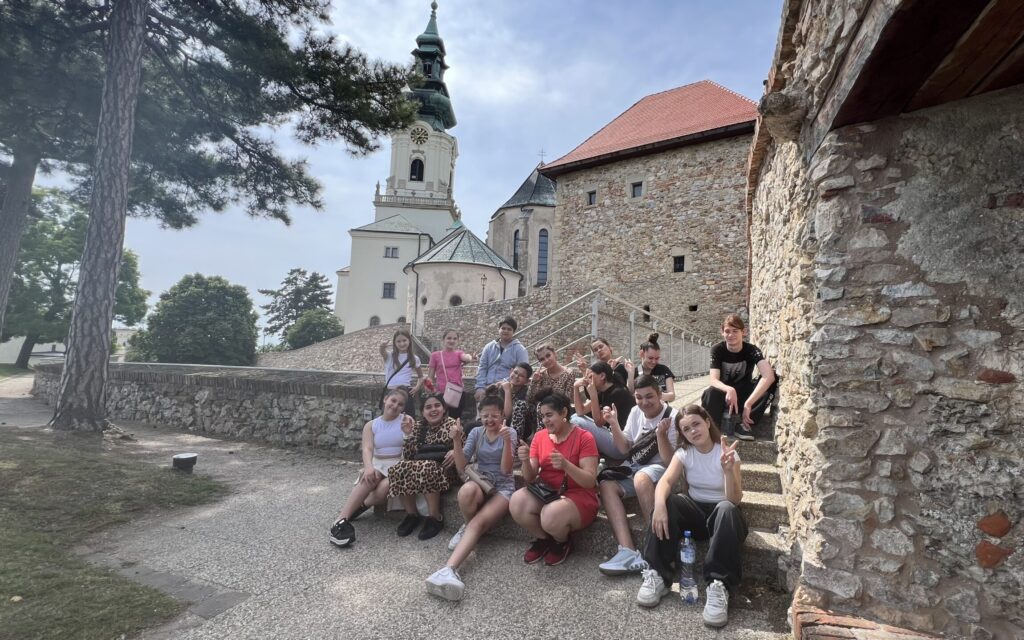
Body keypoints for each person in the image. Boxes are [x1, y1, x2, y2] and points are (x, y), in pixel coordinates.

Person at [636, 404, 746, 629]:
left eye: (696, 424)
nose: (693, 431)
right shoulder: (684, 453)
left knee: (726, 508)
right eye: (686, 429)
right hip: (696, 513)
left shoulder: (728, 453)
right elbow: (666, 481)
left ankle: (719, 585)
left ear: (707, 422)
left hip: (724, 518)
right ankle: (658, 574)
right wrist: (659, 506)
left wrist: (727, 471)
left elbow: (734, 499)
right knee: (667, 500)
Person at [424, 395, 518, 601]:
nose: (489, 420)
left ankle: (450, 568)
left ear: (502, 415)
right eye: (485, 416)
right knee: (465, 491)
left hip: (503, 488)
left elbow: (506, 470)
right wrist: (456, 440)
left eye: (494, 415)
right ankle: (467, 530)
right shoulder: (476, 432)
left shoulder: (509, 432)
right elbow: (461, 466)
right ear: (480, 416)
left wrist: (506, 442)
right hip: (482, 482)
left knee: (477, 523)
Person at [596, 375, 679, 576]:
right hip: (636, 465)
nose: (644, 402)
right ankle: (628, 551)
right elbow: (625, 448)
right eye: (639, 397)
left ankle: (658, 548)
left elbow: (671, 461)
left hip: (662, 468)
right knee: (606, 484)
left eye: (649, 396)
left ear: (660, 395)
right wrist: (613, 424)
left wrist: (661, 435)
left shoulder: (674, 416)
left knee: (642, 478)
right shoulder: (635, 412)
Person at [509, 392, 599, 566]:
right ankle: (543, 539)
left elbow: (589, 480)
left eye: (549, 415)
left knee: (550, 515)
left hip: (578, 495)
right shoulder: (540, 436)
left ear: (564, 412)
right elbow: (530, 476)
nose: (545, 420)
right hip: (547, 492)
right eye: (543, 416)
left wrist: (566, 465)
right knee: (517, 502)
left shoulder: (584, 437)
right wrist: (525, 460)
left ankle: (561, 542)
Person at [329, 388, 413, 547]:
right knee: (370, 476)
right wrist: (368, 467)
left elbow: (411, 446)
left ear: (403, 407)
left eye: (400, 404)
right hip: (378, 462)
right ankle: (340, 521)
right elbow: (367, 448)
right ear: (385, 399)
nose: (395, 406)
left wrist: (408, 434)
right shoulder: (371, 425)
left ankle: (362, 505)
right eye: (393, 401)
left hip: (399, 464)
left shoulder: (406, 420)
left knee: (383, 489)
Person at [387, 393, 457, 540]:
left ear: (444, 408)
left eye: (437, 405)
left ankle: (435, 517)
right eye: (428, 407)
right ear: (423, 412)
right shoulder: (419, 427)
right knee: (399, 467)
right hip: (421, 469)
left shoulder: (452, 424)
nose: (433, 409)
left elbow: (465, 449)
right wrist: (408, 435)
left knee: (428, 467)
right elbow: (409, 456)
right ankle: (412, 515)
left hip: (445, 471)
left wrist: (455, 450)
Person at [701, 314, 777, 441]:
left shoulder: (752, 350)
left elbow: (768, 376)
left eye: (735, 331)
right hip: (723, 394)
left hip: (743, 394)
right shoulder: (717, 349)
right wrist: (729, 389)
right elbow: (713, 380)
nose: (731, 335)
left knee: (772, 382)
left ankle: (745, 425)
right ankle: (712, 429)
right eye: (727, 331)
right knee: (710, 392)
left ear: (744, 332)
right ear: (722, 332)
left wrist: (749, 403)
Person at [570, 362, 635, 459]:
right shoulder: (604, 391)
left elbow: (599, 421)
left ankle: (577, 456)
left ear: (602, 376)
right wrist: (576, 387)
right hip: (614, 440)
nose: (587, 380)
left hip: (622, 447)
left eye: (590, 376)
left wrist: (593, 395)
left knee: (576, 421)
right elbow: (580, 411)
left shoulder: (617, 392)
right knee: (575, 417)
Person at [474, 317, 528, 402]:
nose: (505, 331)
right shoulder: (489, 347)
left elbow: (522, 373)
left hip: (507, 389)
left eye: (509, 329)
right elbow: (482, 368)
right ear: (499, 329)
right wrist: (480, 387)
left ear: (513, 332)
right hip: (486, 388)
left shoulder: (520, 350)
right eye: (503, 328)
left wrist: (502, 384)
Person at [428, 329, 475, 418]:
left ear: (457, 341)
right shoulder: (435, 355)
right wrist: (430, 388)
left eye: (454, 338)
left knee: (455, 418)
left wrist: (470, 357)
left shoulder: (459, 353)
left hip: (457, 391)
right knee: (440, 418)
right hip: (441, 392)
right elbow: (430, 376)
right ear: (443, 340)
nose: (452, 341)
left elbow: (465, 357)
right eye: (449, 338)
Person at [628, 333, 676, 402]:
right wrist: (630, 375)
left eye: (657, 358)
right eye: (650, 358)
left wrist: (655, 395)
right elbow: (630, 395)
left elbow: (672, 396)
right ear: (641, 354)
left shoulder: (663, 370)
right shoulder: (634, 372)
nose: (653, 362)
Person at [380, 329, 423, 397]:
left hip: (405, 391)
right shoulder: (389, 356)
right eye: (398, 341)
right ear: (395, 343)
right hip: (390, 391)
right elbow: (382, 352)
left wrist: (417, 388)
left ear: (409, 341)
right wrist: (382, 346)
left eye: (404, 340)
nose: (402, 344)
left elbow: (420, 376)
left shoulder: (415, 358)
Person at [501, 362, 537, 443]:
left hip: (522, 429)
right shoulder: (502, 388)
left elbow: (508, 414)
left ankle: (514, 443)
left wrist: (507, 391)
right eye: (515, 372)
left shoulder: (526, 393)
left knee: (520, 404)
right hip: (501, 424)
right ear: (511, 371)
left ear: (527, 381)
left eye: (521, 376)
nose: (516, 376)